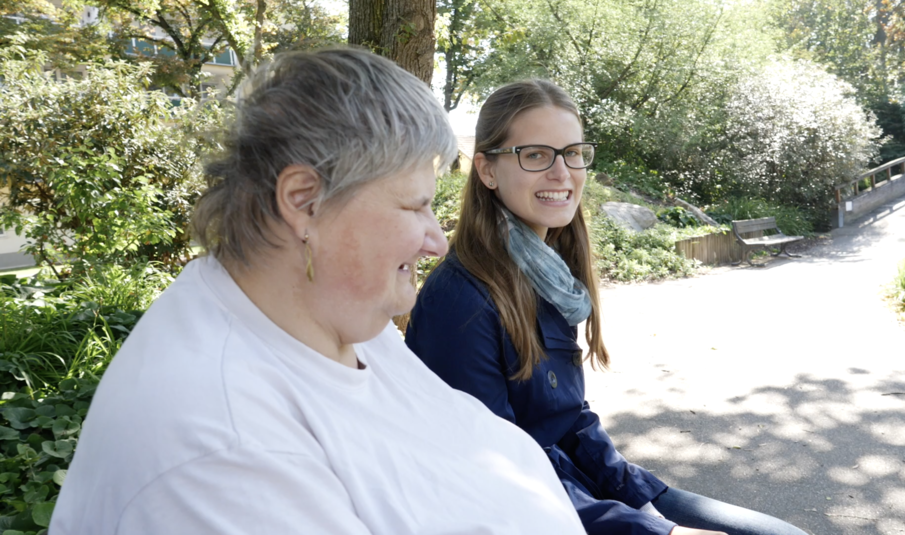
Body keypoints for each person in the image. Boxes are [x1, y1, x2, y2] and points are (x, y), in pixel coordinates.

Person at [50, 50, 588, 535]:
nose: (435, 241)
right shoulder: (218, 449)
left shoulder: (341, 320)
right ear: (306, 202)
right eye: (413, 206)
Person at [405, 79, 808, 535]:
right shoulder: (460, 300)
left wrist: (642, 499)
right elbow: (496, 472)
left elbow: (570, 419)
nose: (562, 173)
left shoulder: (546, 275)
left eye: (572, 153)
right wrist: (657, 532)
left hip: (577, 488)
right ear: (488, 170)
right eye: (536, 155)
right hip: (531, 512)